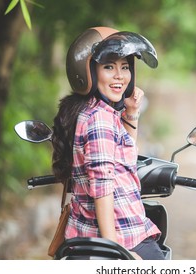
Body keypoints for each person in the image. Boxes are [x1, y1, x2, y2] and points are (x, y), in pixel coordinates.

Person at [51, 27, 164, 260]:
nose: (120, 76)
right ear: (88, 71)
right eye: (109, 67)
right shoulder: (99, 120)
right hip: (123, 237)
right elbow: (102, 189)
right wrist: (117, 251)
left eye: (125, 67)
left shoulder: (92, 111)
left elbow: (126, 160)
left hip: (89, 234)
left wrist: (132, 113)